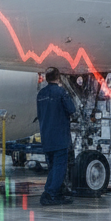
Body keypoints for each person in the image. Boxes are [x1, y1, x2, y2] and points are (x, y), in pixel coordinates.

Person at [36, 67, 77, 206]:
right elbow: (71, 109)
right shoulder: (60, 92)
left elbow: (40, 114)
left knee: (52, 167)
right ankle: (51, 194)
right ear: (58, 77)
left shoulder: (41, 94)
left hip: (46, 136)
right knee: (59, 167)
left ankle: (50, 192)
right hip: (60, 136)